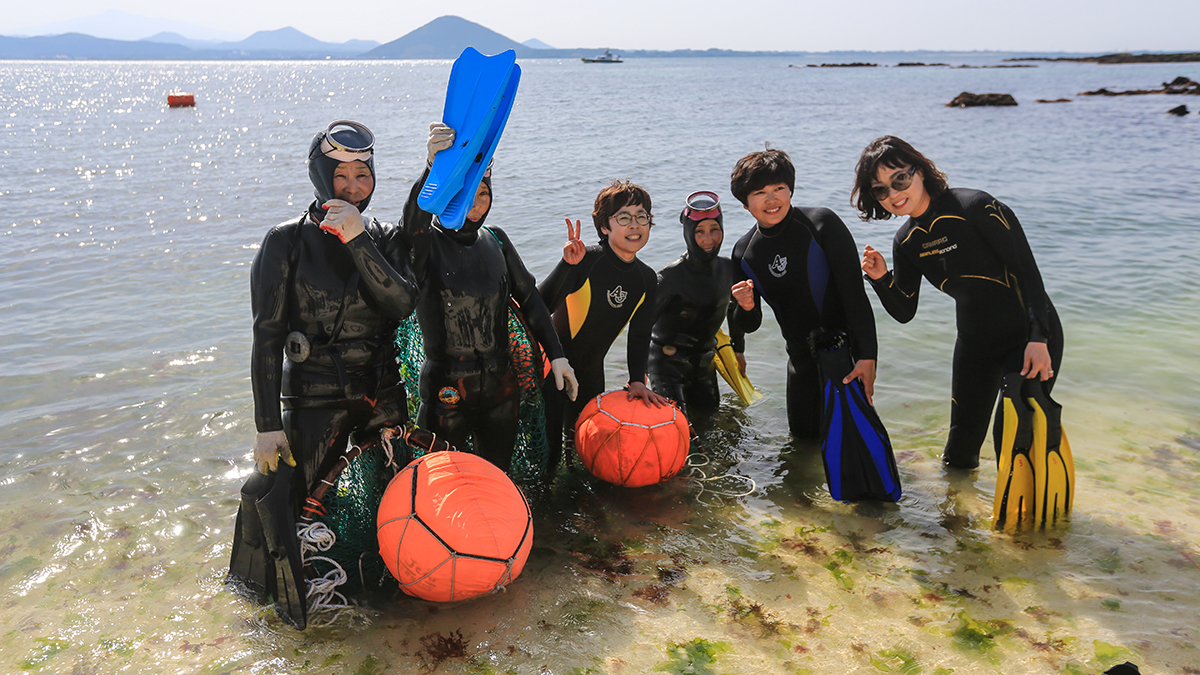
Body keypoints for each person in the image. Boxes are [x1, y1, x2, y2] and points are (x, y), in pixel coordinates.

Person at [229, 120, 420, 625]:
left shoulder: (384, 237)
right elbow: (266, 337)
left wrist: (359, 240)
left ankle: (388, 585)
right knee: (307, 509)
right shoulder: (285, 242)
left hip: (383, 392)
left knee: (390, 491)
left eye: (364, 174)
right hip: (313, 398)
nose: (354, 187)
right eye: (342, 175)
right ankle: (310, 598)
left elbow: (402, 303)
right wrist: (266, 423)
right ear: (320, 175)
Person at [852, 135, 1061, 469]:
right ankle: (958, 516)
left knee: (1012, 441)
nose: (893, 194)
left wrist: (1039, 338)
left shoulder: (976, 207)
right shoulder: (906, 241)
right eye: (881, 189)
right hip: (974, 343)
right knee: (959, 454)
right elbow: (905, 311)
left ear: (919, 172)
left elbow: (1026, 272)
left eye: (900, 180)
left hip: (1027, 336)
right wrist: (880, 280)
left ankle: (1025, 518)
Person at [400, 122, 577, 474]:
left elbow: (530, 299)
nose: (476, 206)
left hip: (501, 388)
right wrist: (432, 169)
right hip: (447, 391)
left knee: (497, 480)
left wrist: (557, 356)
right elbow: (411, 225)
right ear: (448, 192)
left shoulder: (495, 240)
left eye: (484, 194)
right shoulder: (426, 245)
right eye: (466, 194)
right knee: (441, 485)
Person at [728, 148, 878, 440]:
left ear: (791, 191)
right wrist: (744, 307)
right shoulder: (744, 253)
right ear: (746, 204)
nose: (772, 200)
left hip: (843, 358)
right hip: (799, 363)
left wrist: (868, 357)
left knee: (853, 448)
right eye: (760, 192)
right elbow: (750, 323)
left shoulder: (822, 224)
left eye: (779, 189)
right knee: (801, 448)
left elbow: (855, 295)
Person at [539, 180, 671, 472]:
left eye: (642, 217)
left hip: (591, 375)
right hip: (552, 370)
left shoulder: (647, 279)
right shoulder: (586, 260)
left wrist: (638, 380)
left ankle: (583, 515)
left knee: (583, 457)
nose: (634, 225)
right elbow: (540, 306)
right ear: (604, 227)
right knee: (548, 459)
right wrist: (566, 265)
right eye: (624, 217)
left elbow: (639, 335)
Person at [647, 190, 744, 419]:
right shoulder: (669, 278)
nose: (708, 240)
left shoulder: (729, 270)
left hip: (705, 363)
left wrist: (738, 350)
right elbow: (640, 326)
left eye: (714, 230)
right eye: (699, 232)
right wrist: (637, 375)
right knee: (677, 429)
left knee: (709, 423)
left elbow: (733, 309)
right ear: (688, 233)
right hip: (666, 365)